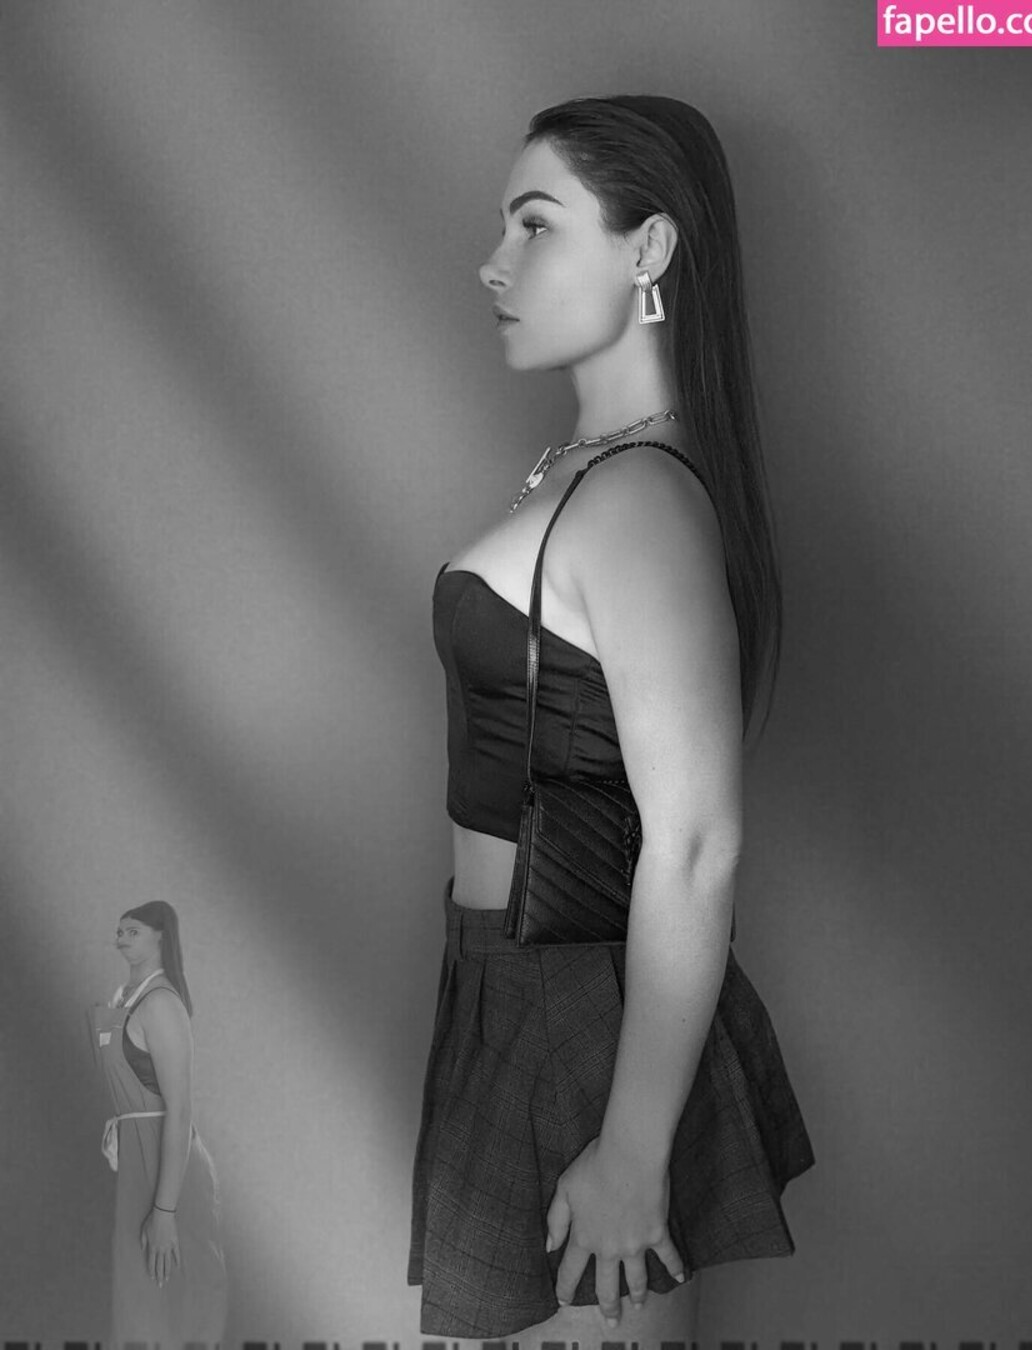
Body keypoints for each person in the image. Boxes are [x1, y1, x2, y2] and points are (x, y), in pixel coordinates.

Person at [408, 95, 815, 1349]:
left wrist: (634, 1153)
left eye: (537, 225)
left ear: (649, 248)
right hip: (510, 990)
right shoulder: (585, 469)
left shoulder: (639, 498)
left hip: (577, 1011)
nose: (496, 263)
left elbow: (695, 842)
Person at [92, 901, 227, 1348]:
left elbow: (180, 1111)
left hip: (168, 1160)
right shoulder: (124, 1001)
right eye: (119, 931)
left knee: (177, 1295)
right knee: (138, 1296)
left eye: (133, 931)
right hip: (135, 1155)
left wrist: (165, 1212)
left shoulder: (162, 1005)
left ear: (160, 937)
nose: (121, 938)